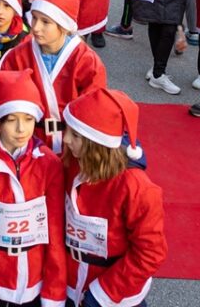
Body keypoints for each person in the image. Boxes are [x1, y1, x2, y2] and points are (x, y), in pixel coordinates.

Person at [0, 69, 66, 307]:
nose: (21, 129)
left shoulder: (49, 163)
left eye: (28, 119)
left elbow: (55, 231)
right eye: (11, 119)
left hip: (35, 279)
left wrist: (54, 290)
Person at [60, 88, 167, 307]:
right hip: (69, 283)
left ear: (97, 144)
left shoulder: (137, 188)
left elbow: (150, 252)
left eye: (76, 135)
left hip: (112, 295)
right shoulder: (72, 162)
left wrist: (102, 293)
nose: (66, 139)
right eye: (66, 130)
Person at [2, 0, 107, 155]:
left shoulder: (87, 62)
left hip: (71, 143)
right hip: (28, 141)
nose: (35, 27)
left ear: (63, 26)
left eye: (45, 22)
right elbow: (7, 103)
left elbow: (93, 113)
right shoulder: (18, 56)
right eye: (34, 18)